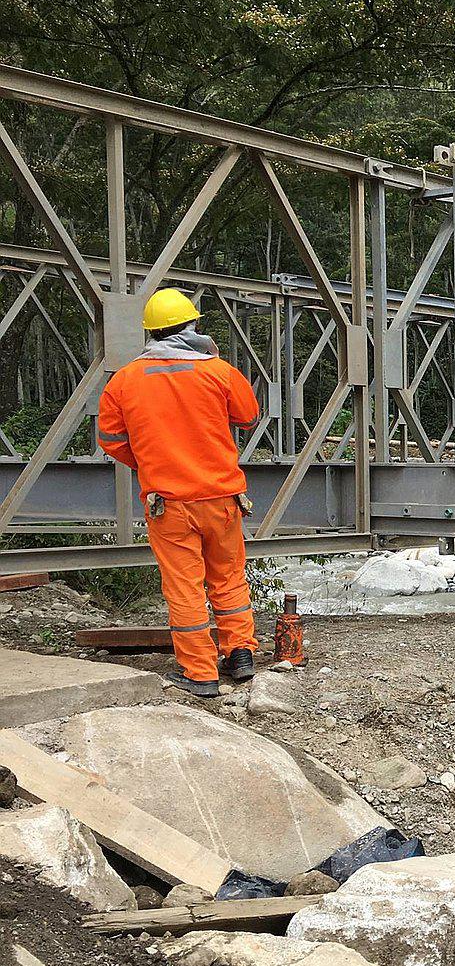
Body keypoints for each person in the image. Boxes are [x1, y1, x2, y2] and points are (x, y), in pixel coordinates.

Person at [96, 289, 261, 697]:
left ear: (150, 333)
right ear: (192, 326)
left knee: (185, 586)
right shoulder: (218, 371)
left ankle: (200, 674)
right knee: (227, 578)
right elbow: (249, 415)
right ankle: (239, 654)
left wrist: (150, 462)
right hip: (221, 497)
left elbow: (109, 439)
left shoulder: (125, 380)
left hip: (167, 503)